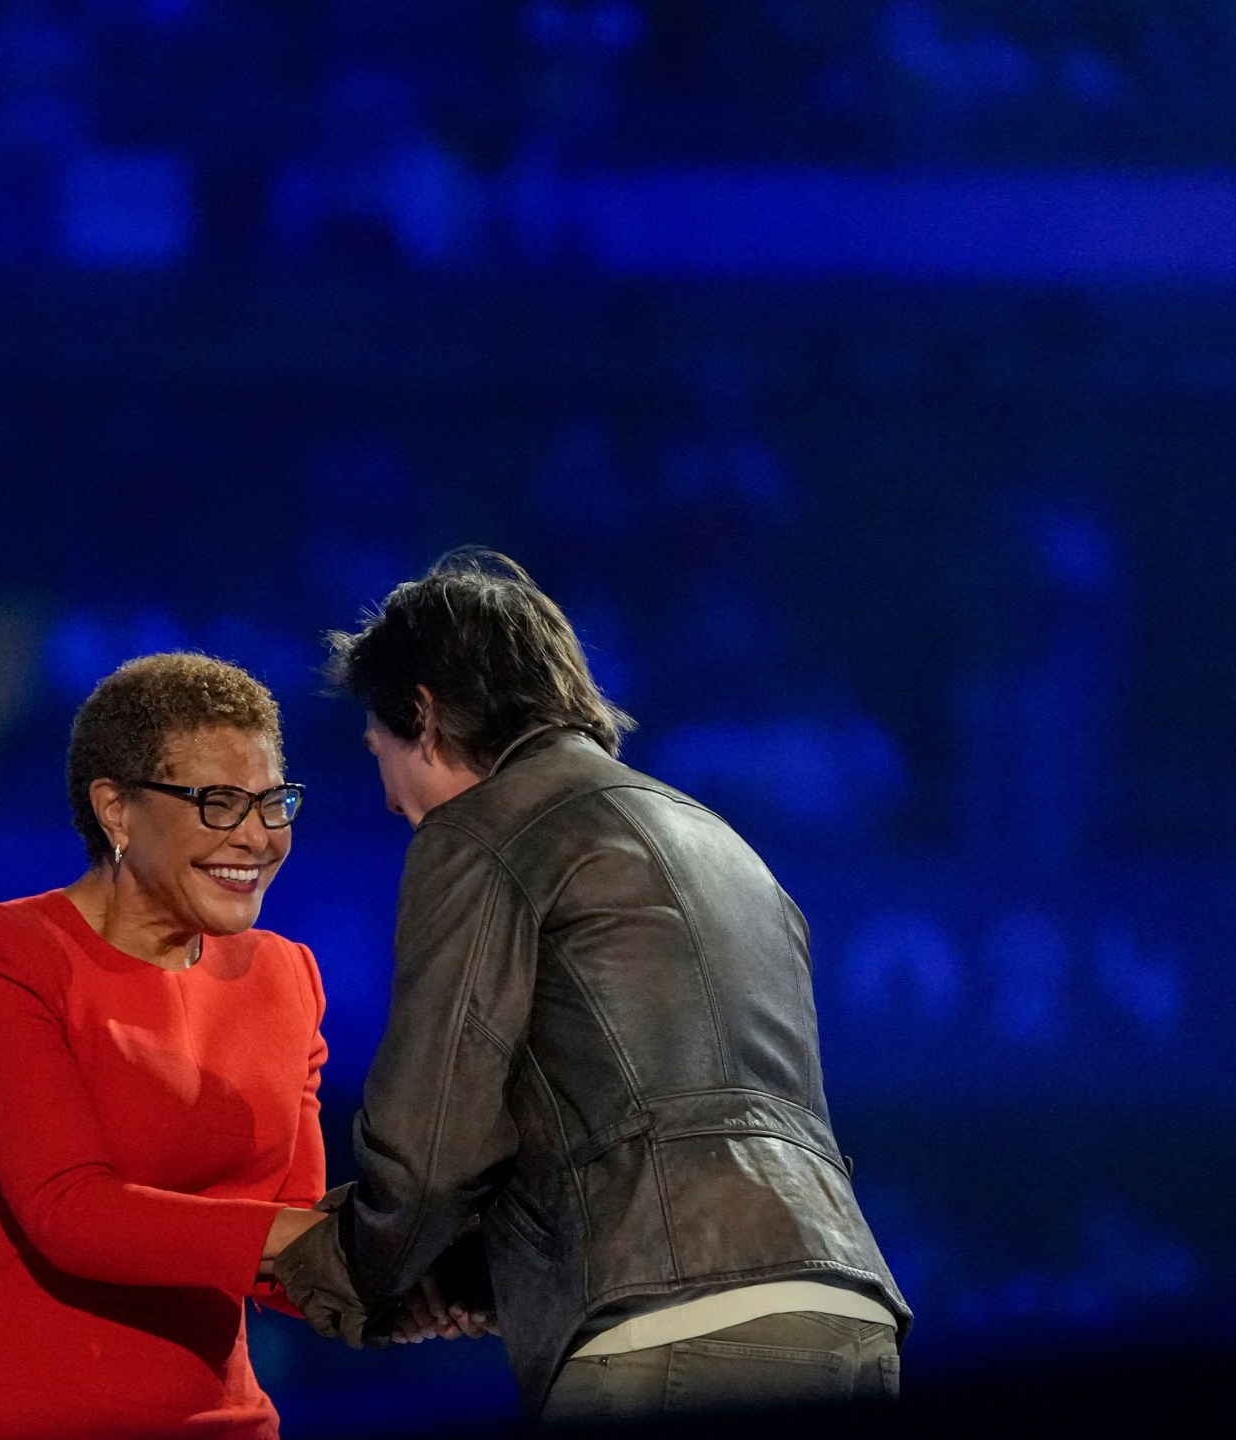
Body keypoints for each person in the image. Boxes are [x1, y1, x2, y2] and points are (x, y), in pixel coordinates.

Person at [274, 551, 910, 1423]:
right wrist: (482, 1273)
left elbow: (429, 1150)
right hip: (846, 1310)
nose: (389, 799)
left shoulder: (480, 832)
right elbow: (638, 1121)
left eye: (380, 751)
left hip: (664, 1331)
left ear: (421, 710)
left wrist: (345, 1273)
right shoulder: (728, 845)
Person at [0, 654, 332, 1440]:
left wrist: (425, 1273)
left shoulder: (285, 975)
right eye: (219, 803)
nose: (258, 837)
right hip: (22, 1420)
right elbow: (70, 1212)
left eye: (274, 803)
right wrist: (319, 1240)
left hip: (226, 1422)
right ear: (117, 811)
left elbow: (291, 1250)